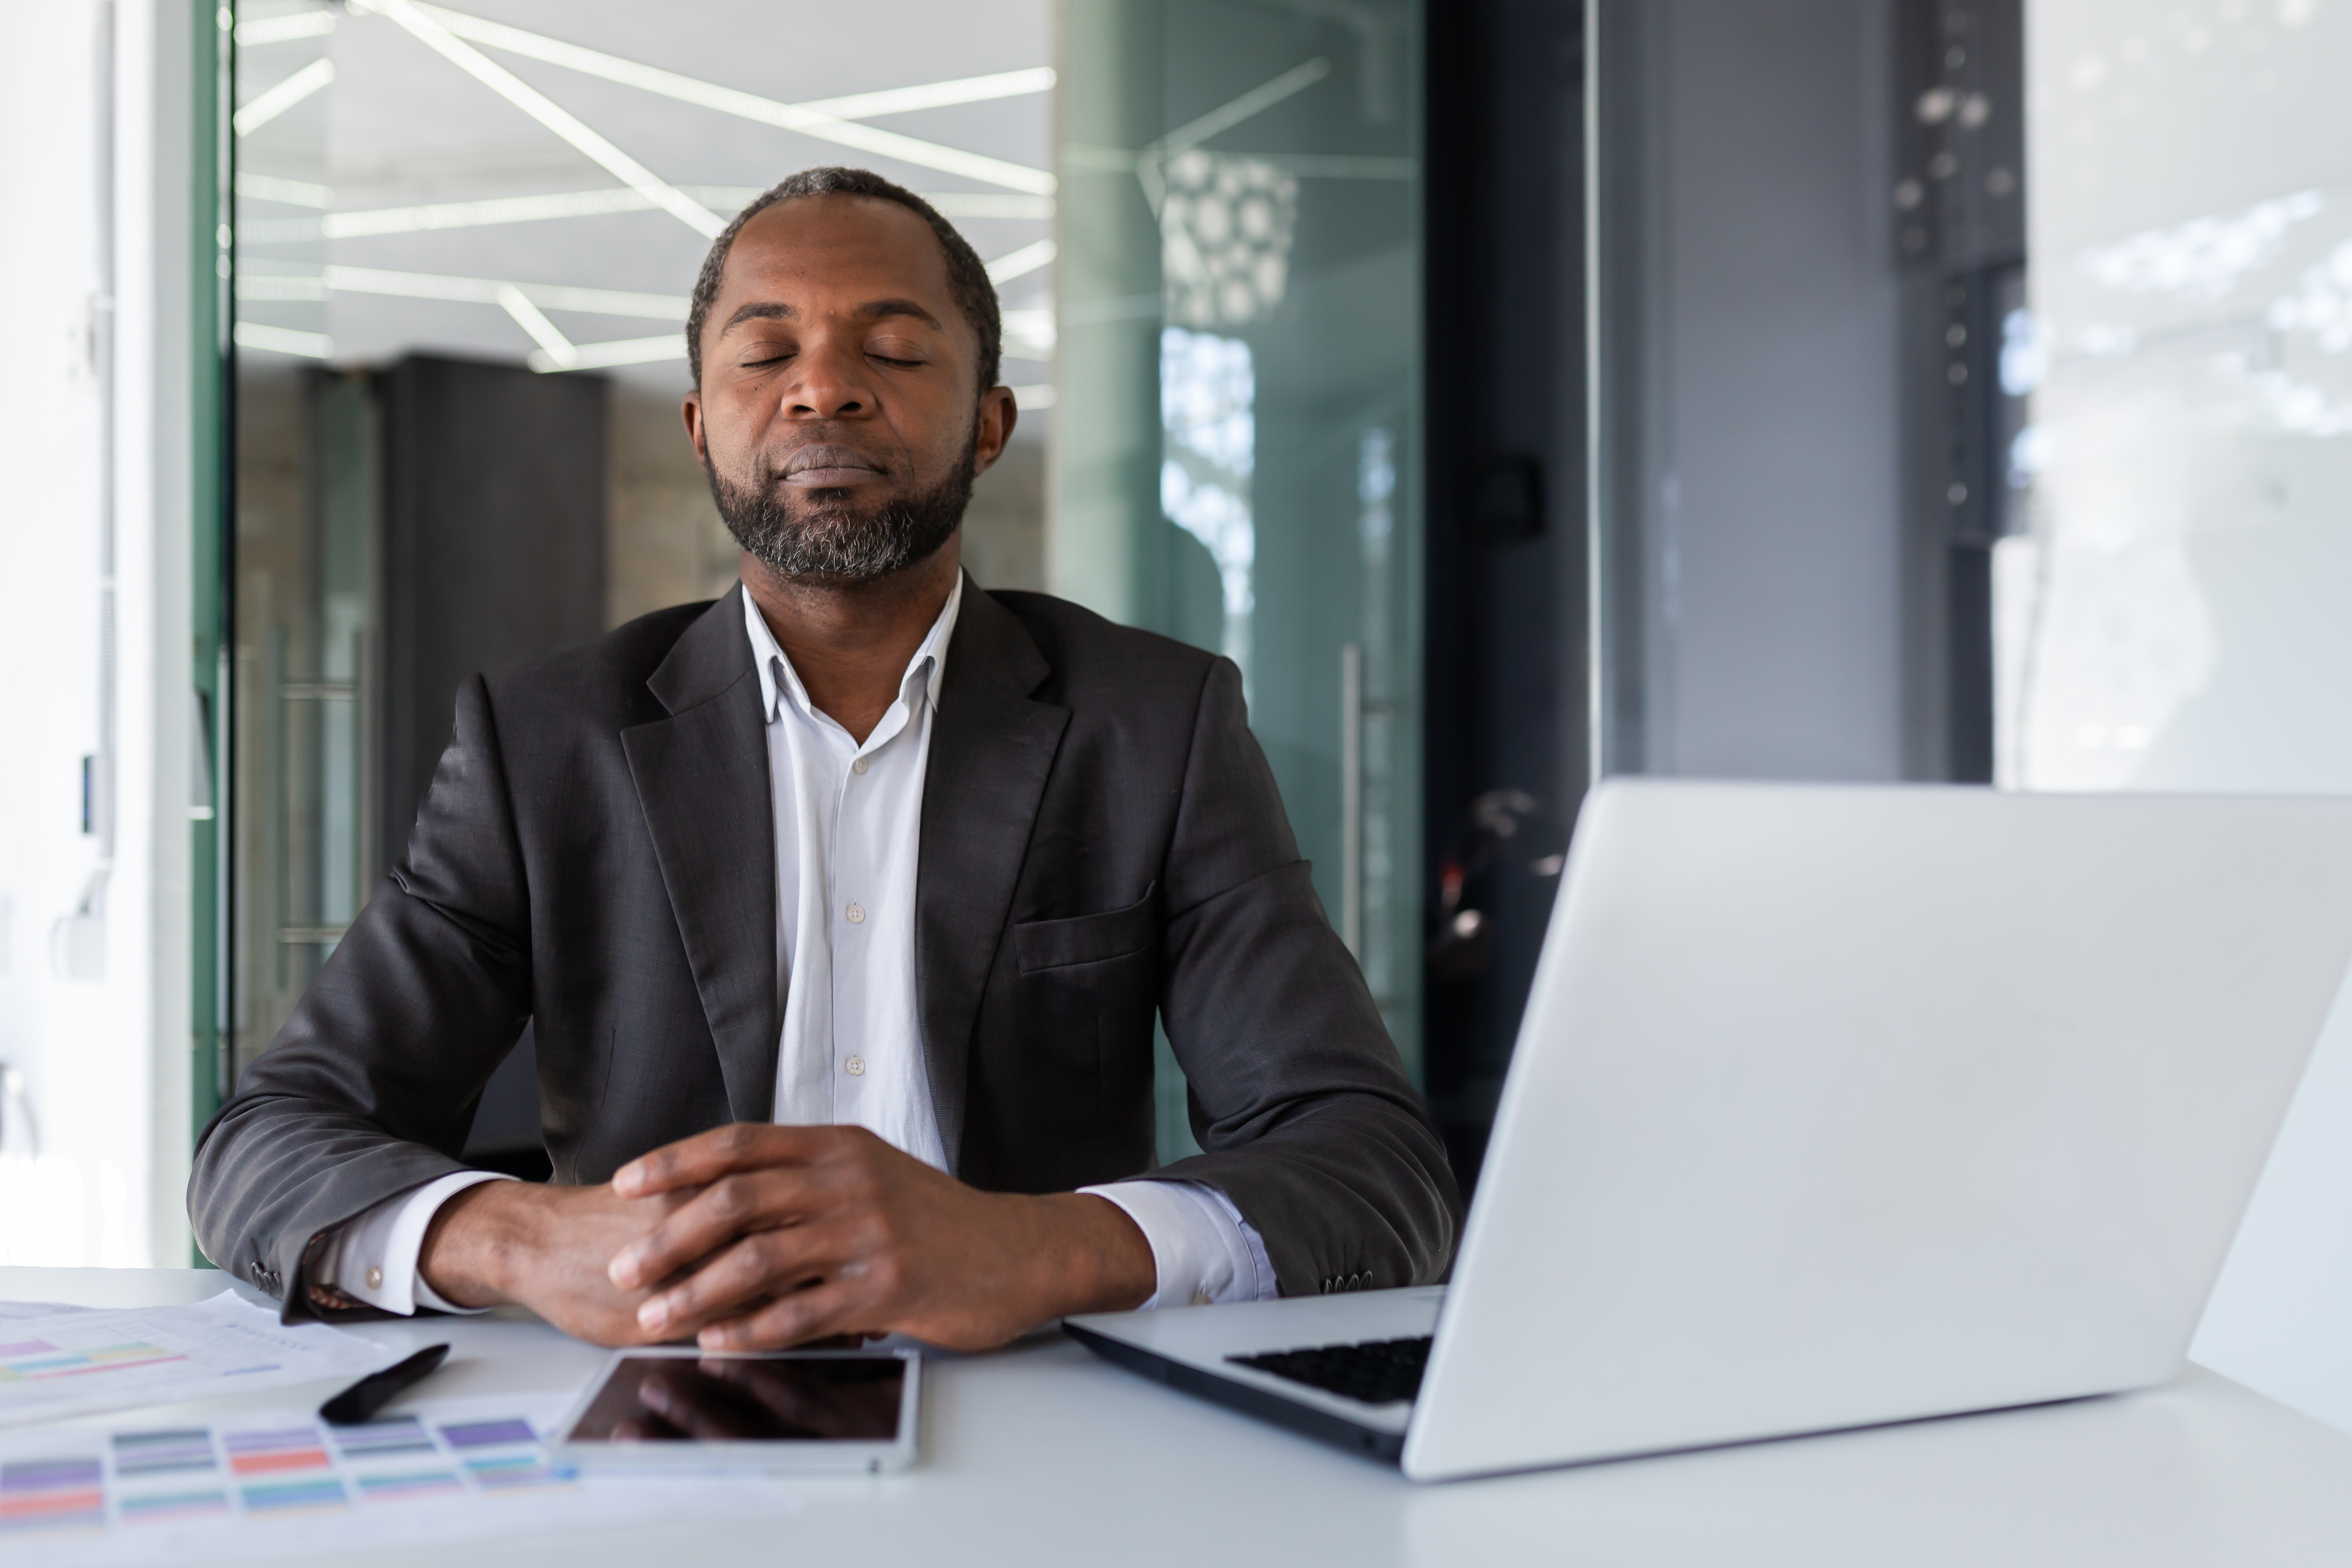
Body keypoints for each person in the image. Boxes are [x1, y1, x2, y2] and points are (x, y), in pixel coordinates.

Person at [189, 166, 1458, 1352]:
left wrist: (1039, 1246)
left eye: (895, 351)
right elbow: (268, 1146)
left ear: (989, 424)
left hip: (1040, 1399)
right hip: (656, 1402)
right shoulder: (543, 742)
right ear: (699, 424)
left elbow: (1368, 1170)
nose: (824, 389)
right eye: (764, 352)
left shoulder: (1154, 723)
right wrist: (524, 1240)